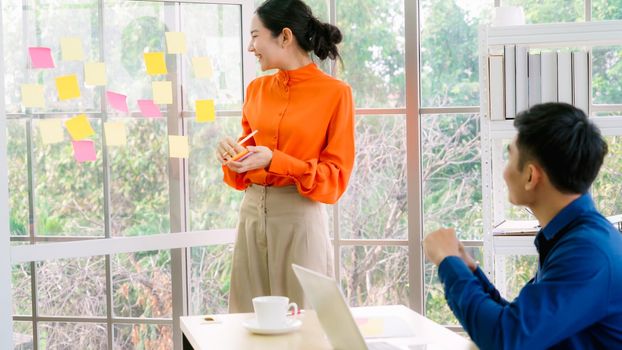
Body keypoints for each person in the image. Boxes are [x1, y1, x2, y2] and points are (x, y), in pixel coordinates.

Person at [423, 102, 622, 349]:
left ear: (530, 176)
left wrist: (448, 263)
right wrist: (469, 270)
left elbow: (507, 339)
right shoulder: (575, 239)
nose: (505, 172)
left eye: (510, 156)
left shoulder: (588, 253)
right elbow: (523, 327)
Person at [216, 0, 354, 313]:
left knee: (305, 322)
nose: (251, 47)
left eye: (255, 36)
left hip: (299, 219)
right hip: (251, 215)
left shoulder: (335, 93)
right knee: (246, 321)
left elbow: (335, 178)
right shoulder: (256, 90)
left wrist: (275, 160)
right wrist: (233, 159)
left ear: (285, 37)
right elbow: (241, 173)